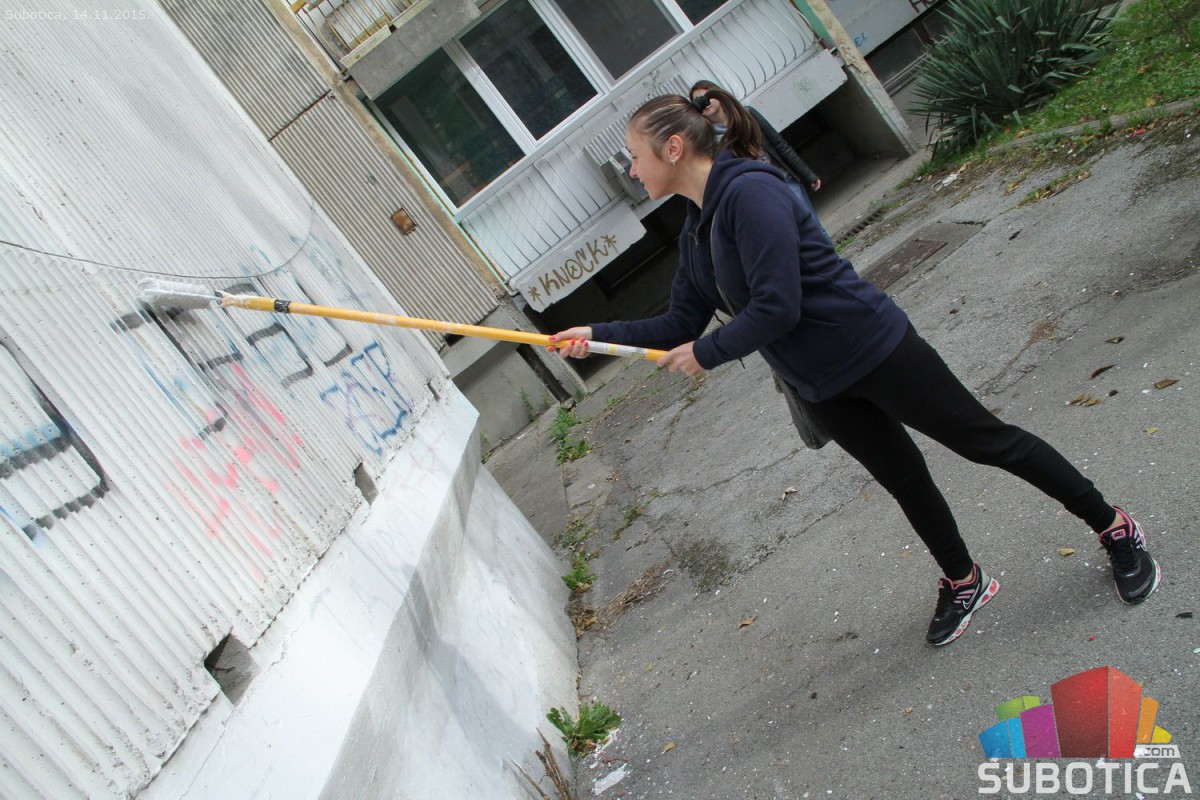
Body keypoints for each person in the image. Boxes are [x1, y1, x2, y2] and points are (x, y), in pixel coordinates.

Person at [548, 88, 1161, 647]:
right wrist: (595, 336)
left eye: (635, 157)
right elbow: (680, 320)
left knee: (987, 442)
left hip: (875, 350)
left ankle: (1114, 527)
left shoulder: (751, 193)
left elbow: (778, 305)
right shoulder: (696, 229)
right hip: (821, 385)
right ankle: (964, 579)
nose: (633, 171)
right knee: (904, 479)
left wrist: (708, 353)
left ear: (673, 148)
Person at [690, 79, 821, 197]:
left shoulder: (747, 114)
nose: (705, 102)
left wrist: (808, 174)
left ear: (718, 94)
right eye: (699, 100)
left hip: (786, 181)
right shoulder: (707, 140)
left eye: (707, 96)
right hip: (761, 194)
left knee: (809, 217)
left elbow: (780, 144)